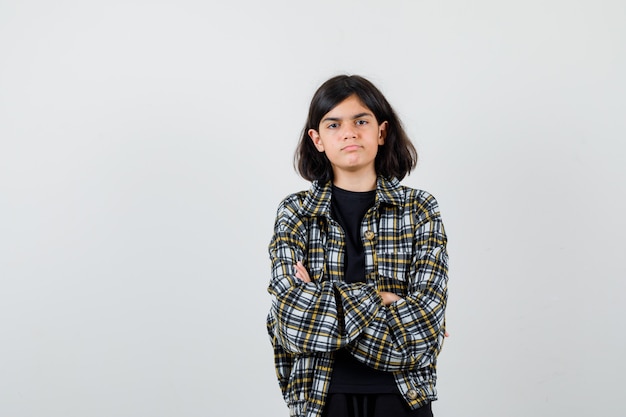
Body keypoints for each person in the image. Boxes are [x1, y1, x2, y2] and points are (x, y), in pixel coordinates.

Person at [266, 75, 449, 417]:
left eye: (360, 121)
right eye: (334, 124)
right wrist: (382, 299)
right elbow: (292, 322)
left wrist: (324, 300)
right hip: (321, 396)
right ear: (317, 139)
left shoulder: (420, 209)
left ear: (381, 132)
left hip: (403, 396)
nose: (349, 132)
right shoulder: (295, 211)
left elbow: (423, 328)